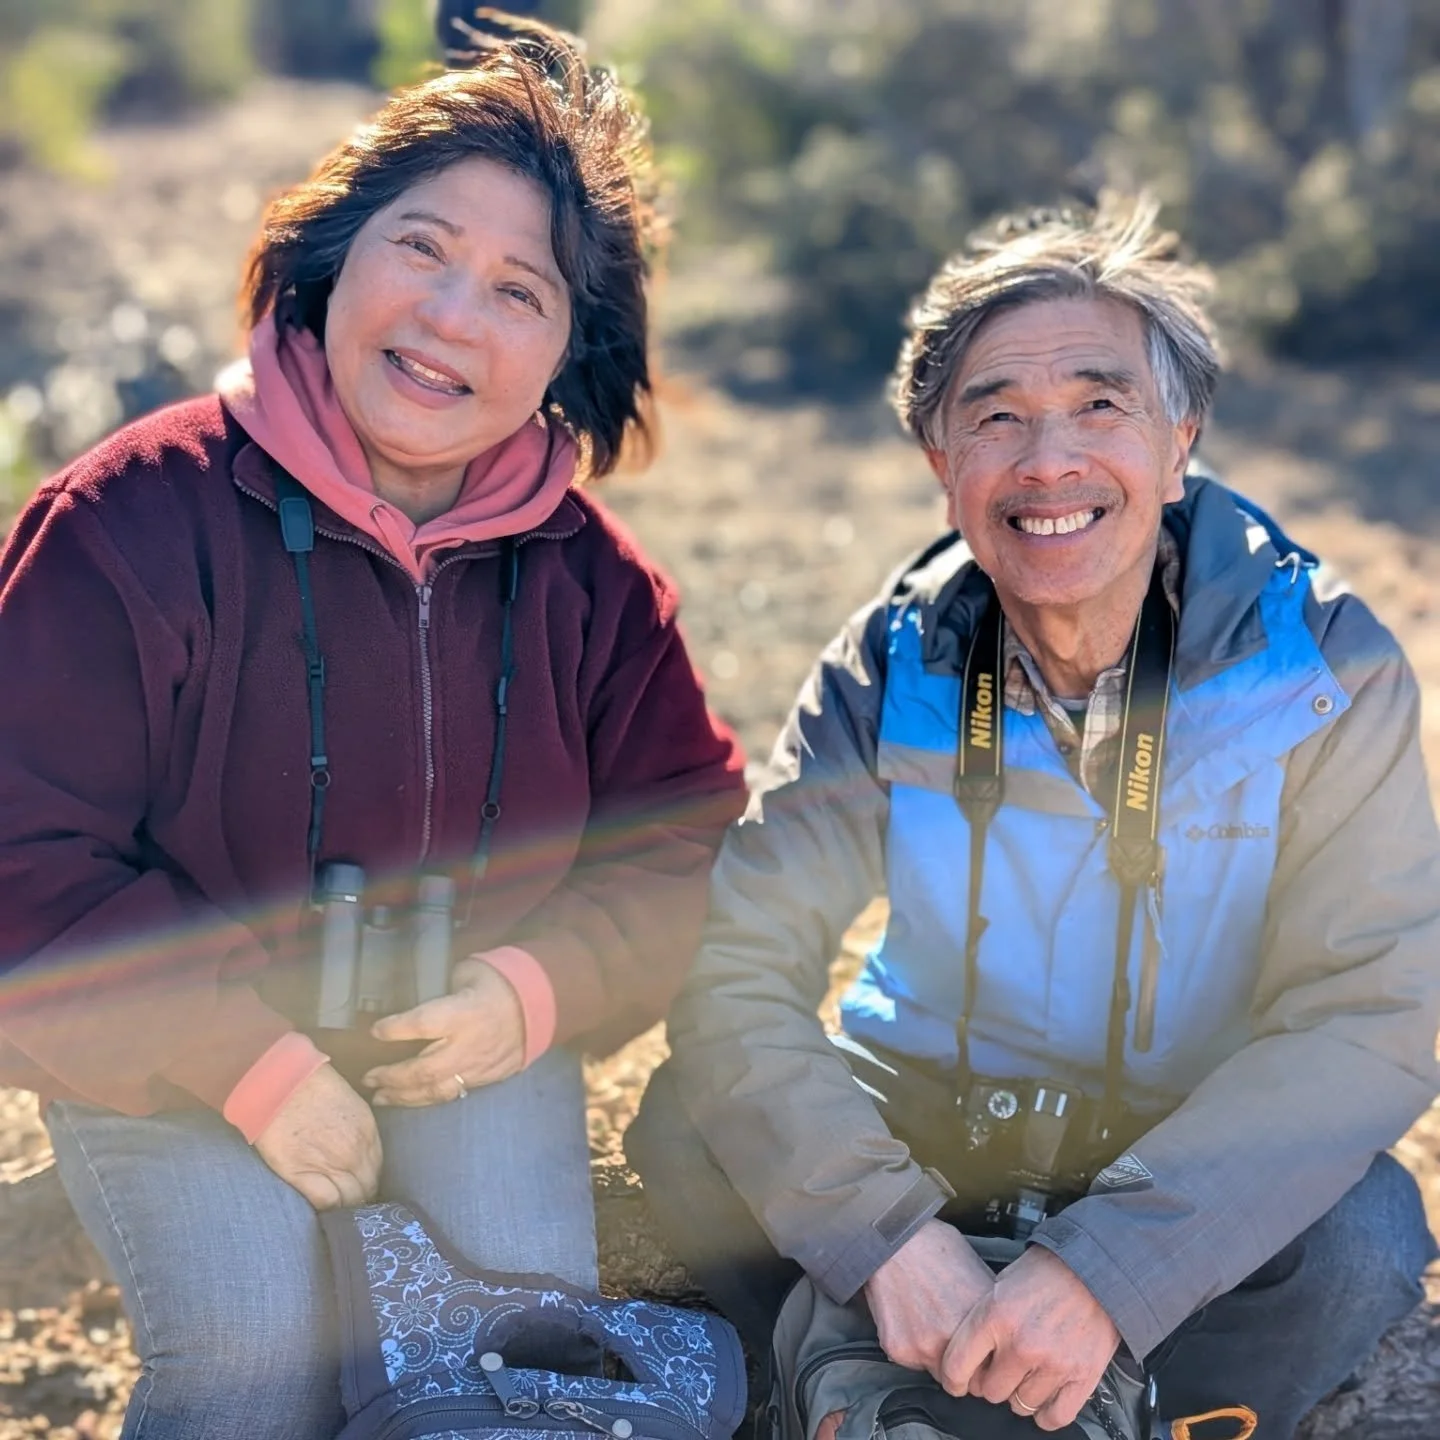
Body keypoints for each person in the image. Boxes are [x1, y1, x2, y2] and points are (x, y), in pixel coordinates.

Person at [0, 22, 743, 1440]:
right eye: (422, 247)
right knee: (253, 1353)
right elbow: (15, 849)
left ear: (570, 350)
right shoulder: (126, 522)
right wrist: (250, 1065)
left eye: (518, 290)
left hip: (466, 1030)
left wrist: (527, 996)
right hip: (170, 1039)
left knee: (508, 1345)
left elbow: (685, 837)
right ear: (335, 254)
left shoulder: (593, 579)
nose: (453, 315)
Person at [627, 198, 1440, 1439]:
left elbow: (1373, 1017)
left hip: (1182, 1132)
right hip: (932, 1124)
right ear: (941, 464)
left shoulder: (1321, 663)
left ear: (1183, 439)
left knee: (1360, 1240)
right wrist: (884, 1234)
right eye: (994, 415)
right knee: (687, 1128)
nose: (1047, 461)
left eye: (1100, 405)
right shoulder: (892, 657)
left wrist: (1115, 1271)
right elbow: (737, 964)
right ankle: (879, 1374)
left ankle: (1083, 1393)